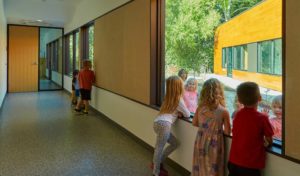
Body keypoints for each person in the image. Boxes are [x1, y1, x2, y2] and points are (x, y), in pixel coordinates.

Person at [228, 82, 274, 176]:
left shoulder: (237, 114)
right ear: (260, 98)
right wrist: (267, 142)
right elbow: (269, 139)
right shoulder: (262, 118)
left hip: (233, 161)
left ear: (240, 100)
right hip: (250, 165)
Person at [192, 78, 231, 176]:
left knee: (200, 164)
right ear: (220, 92)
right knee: (213, 167)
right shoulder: (224, 111)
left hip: (200, 140)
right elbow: (227, 132)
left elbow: (195, 123)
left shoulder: (200, 108)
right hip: (215, 144)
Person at [152, 75, 190, 176]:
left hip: (157, 123)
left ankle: (157, 162)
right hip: (164, 125)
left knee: (175, 143)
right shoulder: (178, 100)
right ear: (179, 87)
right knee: (159, 148)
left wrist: (177, 113)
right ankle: (156, 172)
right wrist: (179, 113)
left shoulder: (167, 98)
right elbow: (187, 114)